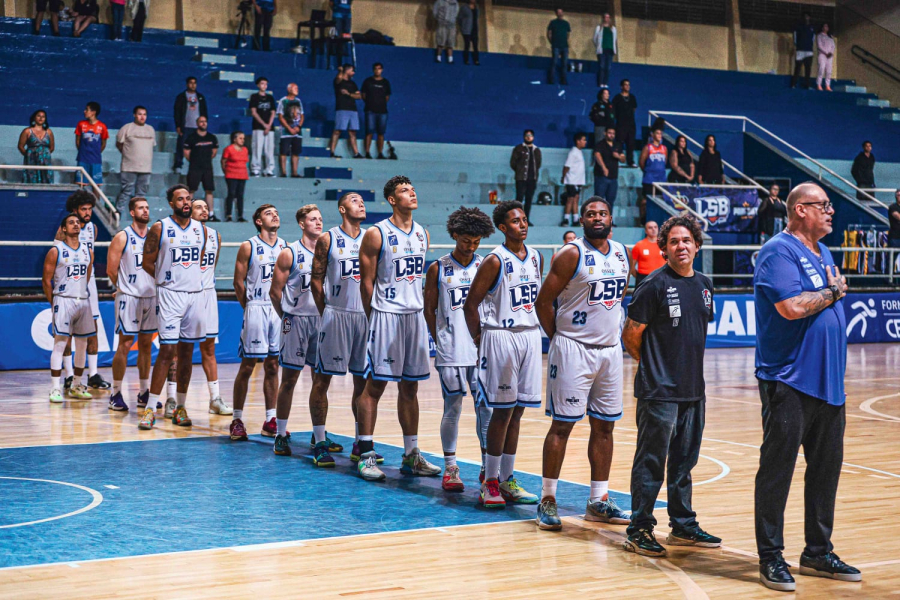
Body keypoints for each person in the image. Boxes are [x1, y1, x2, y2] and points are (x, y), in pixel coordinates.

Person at [753, 183, 860, 592]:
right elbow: (792, 307)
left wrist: (827, 295)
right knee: (777, 471)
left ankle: (817, 551)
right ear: (800, 209)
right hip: (789, 381)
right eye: (824, 206)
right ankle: (770, 556)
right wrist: (833, 291)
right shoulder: (778, 251)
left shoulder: (823, 251)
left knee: (825, 471)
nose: (831, 212)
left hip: (829, 384)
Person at [621, 214, 720, 558]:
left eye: (687, 240)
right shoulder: (653, 285)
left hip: (694, 390)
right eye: (674, 241)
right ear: (663, 249)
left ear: (696, 245)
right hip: (659, 391)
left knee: (684, 462)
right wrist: (653, 368)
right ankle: (639, 528)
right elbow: (631, 335)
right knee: (651, 461)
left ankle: (682, 525)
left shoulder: (705, 285)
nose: (681, 246)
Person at [535, 197, 631, 530]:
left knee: (605, 426)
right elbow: (543, 301)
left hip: (609, 351)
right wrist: (560, 339)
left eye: (602, 213)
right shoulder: (571, 253)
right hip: (573, 348)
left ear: (610, 218)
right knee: (562, 426)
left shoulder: (621, 252)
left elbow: (619, 298)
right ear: (582, 220)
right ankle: (547, 499)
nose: (597, 217)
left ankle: (599, 501)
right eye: (590, 214)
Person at [355, 176, 441, 481]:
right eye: (405, 191)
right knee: (375, 386)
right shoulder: (376, 233)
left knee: (411, 386)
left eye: (413, 189)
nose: (412, 193)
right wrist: (374, 314)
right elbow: (366, 281)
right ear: (392, 199)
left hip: (414, 315)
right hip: (386, 314)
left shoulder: (422, 233)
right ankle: (365, 454)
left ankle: (411, 455)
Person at [464, 200, 542, 507]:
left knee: (519, 410)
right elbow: (471, 304)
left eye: (523, 219)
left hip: (530, 336)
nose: (521, 224)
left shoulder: (536, 257)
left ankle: (508, 479)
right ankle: (490, 480)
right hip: (501, 336)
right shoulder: (495, 261)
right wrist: (480, 338)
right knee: (502, 411)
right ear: (502, 227)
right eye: (514, 221)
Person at [423, 206, 496, 491]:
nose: (471, 245)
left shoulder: (485, 265)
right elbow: (430, 309)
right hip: (451, 349)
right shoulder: (438, 268)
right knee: (452, 406)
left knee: (486, 408)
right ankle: (451, 467)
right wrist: (439, 340)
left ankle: (487, 466)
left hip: (481, 348)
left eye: (476, 241)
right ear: (454, 235)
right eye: (466, 239)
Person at [308, 193, 374, 466]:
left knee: (363, 382)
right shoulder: (328, 239)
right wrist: (327, 313)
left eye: (362, 200)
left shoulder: (373, 238)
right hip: (337, 314)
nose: (361, 203)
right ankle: (320, 441)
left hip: (364, 316)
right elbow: (316, 281)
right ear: (342, 209)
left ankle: (360, 443)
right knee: (322, 380)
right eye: (354, 200)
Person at [137, 184, 207, 430]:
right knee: (167, 351)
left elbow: (198, 261)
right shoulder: (160, 227)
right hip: (169, 295)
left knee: (188, 353)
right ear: (171, 203)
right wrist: (164, 280)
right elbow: (147, 262)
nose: (186, 203)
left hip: (194, 295)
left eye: (188, 198)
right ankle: (149, 410)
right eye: (180, 199)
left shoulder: (201, 229)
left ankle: (180, 407)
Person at [269, 205, 325, 457]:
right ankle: (280, 434)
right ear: (302, 224)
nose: (318, 222)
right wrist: (287, 317)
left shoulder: (328, 252)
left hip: (321, 320)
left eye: (320, 219)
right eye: (313, 219)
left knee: (320, 381)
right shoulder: (289, 253)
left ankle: (319, 436)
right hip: (297, 320)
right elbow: (274, 291)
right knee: (289, 380)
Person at [229, 204, 287, 441]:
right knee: (248, 365)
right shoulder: (248, 246)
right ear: (258, 221)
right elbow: (238, 283)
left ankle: (271, 419)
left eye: (276, 211)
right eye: (268, 213)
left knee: (273, 365)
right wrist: (249, 307)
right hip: (256, 307)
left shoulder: (286, 246)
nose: (274, 214)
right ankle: (236, 418)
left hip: (277, 310)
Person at [106, 197, 156, 412]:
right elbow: (111, 269)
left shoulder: (156, 237)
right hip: (129, 297)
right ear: (132, 212)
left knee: (146, 345)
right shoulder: (122, 237)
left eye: (146, 207)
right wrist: (123, 287)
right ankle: (115, 392)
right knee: (125, 344)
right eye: (140, 208)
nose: (145, 211)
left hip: (151, 295)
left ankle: (144, 392)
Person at [43, 213, 94, 403]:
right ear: (63, 229)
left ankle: (77, 385)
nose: (75, 225)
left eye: (77, 222)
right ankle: (55, 388)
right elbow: (46, 280)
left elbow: (87, 275)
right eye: (71, 223)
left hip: (83, 300)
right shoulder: (56, 251)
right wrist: (54, 301)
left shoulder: (87, 250)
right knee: (60, 344)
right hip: (63, 299)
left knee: (82, 344)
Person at [62, 191, 109, 391]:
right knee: (67, 332)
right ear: (75, 210)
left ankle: (93, 373)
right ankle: (69, 375)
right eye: (84, 209)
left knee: (93, 329)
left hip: (89, 285)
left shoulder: (93, 228)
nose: (88, 213)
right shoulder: (63, 231)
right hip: (70, 283)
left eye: (90, 209)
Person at [191, 197, 232, 416]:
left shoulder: (217, 235)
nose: (204, 210)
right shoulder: (182, 236)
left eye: (206, 207)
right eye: (199, 207)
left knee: (209, 348)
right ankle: (171, 398)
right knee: (179, 350)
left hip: (208, 294)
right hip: (184, 294)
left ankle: (214, 399)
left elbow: (211, 265)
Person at [115, 105, 156, 214]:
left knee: (141, 195)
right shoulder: (126, 128)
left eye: (144, 114)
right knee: (126, 191)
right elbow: (119, 144)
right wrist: (129, 155)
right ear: (134, 115)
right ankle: (117, 214)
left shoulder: (150, 129)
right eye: (139, 114)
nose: (142, 117)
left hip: (146, 168)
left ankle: (140, 215)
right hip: (129, 167)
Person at [183, 115, 220, 221]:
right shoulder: (191, 138)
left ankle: (211, 214)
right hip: (194, 168)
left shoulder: (212, 137)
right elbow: (186, 153)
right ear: (197, 123)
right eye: (201, 121)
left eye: (205, 121)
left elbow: (214, 152)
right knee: (191, 190)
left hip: (207, 168)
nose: (203, 123)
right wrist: (196, 161)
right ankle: (188, 214)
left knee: (209, 190)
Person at [173, 76, 208, 172]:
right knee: (181, 146)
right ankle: (178, 164)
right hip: (186, 126)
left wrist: (204, 125)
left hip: (197, 127)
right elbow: (177, 112)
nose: (193, 85)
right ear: (187, 84)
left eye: (194, 83)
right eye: (191, 83)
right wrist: (178, 125)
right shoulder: (181, 97)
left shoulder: (200, 97)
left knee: (198, 147)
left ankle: (197, 165)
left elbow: (204, 112)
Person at [330, 65, 363, 159]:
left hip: (353, 110)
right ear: (347, 71)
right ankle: (332, 152)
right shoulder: (338, 82)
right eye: (352, 71)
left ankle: (356, 153)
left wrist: (349, 94)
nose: (354, 73)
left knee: (353, 132)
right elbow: (338, 78)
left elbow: (359, 96)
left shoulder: (353, 84)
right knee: (337, 131)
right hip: (341, 109)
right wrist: (340, 70)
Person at [510, 129, 542, 222]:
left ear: (533, 137)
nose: (529, 137)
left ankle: (526, 219)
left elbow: (538, 164)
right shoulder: (518, 148)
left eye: (531, 135)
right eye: (527, 135)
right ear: (524, 137)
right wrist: (519, 171)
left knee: (529, 199)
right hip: (521, 178)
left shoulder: (536, 150)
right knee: (519, 198)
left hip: (532, 178)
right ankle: (516, 218)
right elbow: (513, 163)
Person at [361, 63, 392, 160]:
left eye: (379, 69)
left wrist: (380, 104)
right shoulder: (368, 81)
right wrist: (370, 103)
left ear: (382, 70)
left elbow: (387, 97)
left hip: (382, 111)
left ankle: (380, 153)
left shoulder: (385, 82)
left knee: (381, 133)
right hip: (370, 110)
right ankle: (367, 153)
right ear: (373, 70)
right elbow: (363, 95)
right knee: (369, 132)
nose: (377, 70)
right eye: (375, 69)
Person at [74, 102, 107, 186]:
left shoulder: (102, 126)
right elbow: (77, 141)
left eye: (87, 110)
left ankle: (96, 200)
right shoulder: (81, 124)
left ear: (93, 112)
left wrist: (95, 153)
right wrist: (83, 152)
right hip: (82, 159)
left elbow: (103, 144)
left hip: (96, 160)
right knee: (81, 184)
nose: (84, 111)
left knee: (96, 185)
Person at [640, 127, 668, 223]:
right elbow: (641, 162)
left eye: (660, 134)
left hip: (661, 180)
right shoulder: (648, 147)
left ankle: (657, 221)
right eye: (657, 133)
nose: (659, 135)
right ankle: (642, 220)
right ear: (652, 135)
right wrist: (649, 171)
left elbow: (665, 162)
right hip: (649, 179)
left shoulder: (664, 148)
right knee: (645, 201)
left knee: (660, 201)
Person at [249, 76, 276, 177]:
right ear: (258, 85)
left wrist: (268, 125)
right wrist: (264, 124)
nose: (264, 85)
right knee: (257, 147)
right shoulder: (254, 97)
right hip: (258, 127)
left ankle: (269, 169)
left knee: (269, 149)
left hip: (270, 127)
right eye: (262, 83)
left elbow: (273, 112)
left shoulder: (270, 97)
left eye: (266, 84)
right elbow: (254, 112)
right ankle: (256, 168)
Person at [18, 109, 54, 184]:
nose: (41, 118)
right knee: (31, 178)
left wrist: (44, 154)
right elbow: (20, 146)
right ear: (34, 118)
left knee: (46, 178)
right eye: (38, 116)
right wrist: (29, 154)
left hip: (45, 161)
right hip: (31, 160)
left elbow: (52, 147)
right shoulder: (27, 131)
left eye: (43, 117)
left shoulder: (49, 131)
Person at [276, 83, 304, 177]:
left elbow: (302, 115)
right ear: (289, 89)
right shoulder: (283, 101)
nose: (297, 89)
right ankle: (283, 172)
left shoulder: (298, 101)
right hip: (285, 132)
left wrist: (298, 127)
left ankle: (294, 172)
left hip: (297, 131)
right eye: (295, 88)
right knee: (283, 151)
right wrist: (289, 128)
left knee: (296, 152)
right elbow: (280, 116)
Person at [221, 131, 249, 222]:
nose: (242, 140)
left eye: (243, 138)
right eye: (240, 138)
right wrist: (226, 171)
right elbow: (223, 161)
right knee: (231, 193)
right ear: (234, 139)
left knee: (240, 195)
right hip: (231, 174)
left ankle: (240, 215)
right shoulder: (228, 149)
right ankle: (228, 215)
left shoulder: (245, 149)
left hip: (242, 175)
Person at [561, 133, 587, 227]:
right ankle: (566, 219)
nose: (585, 142)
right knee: (570, 199)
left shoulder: (579, 152)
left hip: (578, 180)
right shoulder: (573, 152)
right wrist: (563, 177)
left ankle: (576, 219)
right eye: (583, 140)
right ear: (578, 141)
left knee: (576, 198)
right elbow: (567, 166)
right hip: (572, 180)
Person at [629, 221, 665, 287]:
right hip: (644, 278)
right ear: (646, 231)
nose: (653, 229)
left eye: (655, 227)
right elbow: (631, 266)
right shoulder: (639, 245)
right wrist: (639, 277)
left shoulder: (664, 245)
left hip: (662, 277)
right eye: (650, 228)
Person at [593, 126, 622, 206]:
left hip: (613, 178)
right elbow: (597, 155)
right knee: (599, 200)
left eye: (613, 133)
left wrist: (618, 156)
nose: (611, 135)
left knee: (610, 202)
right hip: (601, 177)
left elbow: (623, 159)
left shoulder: (617, 145)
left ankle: (608, 218)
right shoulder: (600, 144)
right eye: (609, 133)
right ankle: (597, 218)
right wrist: (604, 168)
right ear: (605, 133)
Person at [612, 79, 637, 168]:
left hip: (631, 125)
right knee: (619, 142)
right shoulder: (617, 98)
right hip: (620, 124)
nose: (627, 86)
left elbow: (634, 109)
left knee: (630, 143)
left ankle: (630, 161)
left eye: (628, 85)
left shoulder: (632, 97)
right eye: (625, 85)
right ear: (621, 86)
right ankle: (619, 160)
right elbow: (614, 111)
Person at [592, 13, 617, 88]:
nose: (607, 19)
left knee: (608, 67)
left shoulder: (613, 28)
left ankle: (605, 83)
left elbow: (615, 39)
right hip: (602, 50)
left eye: (608, 17)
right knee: (602, 66)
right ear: (603, 18)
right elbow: (594, 38)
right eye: (605, 17)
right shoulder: (599, 27)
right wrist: (598, 46)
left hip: (610, 49)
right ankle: (600, 83)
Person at [792, 13, 816, 89]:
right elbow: (795, 38)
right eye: (805, 16)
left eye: (808, 16)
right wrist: (798, 46)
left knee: (808, 69)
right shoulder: (798, 27)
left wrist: (810, 46)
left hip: (809, 51)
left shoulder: (812, 28)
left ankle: (807, 85)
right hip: (800, 51)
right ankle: (793, 84)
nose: (807, 18)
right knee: (797, 68)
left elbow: (813, 38)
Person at [547, 8, 570, 85]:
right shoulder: (553, 22)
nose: (560, 14)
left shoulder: (566, 23)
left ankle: (563, 80)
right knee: (554, 62)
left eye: (561, 12)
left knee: (564, 63)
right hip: (556, 46)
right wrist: (552, 42)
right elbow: (549, 33)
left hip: (564, 46)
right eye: (558, 12)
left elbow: (568, 34)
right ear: (556, 14)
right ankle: (551, 80)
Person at [457, 0, 479, 65]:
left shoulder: (476, 8)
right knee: (467, 45)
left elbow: (476, 17)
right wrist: (462, 26)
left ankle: (476, 60)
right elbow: (459, 18)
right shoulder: (464, 7)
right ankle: (466, 60)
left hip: (475, 29)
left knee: (475, 46)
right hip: (467, 29)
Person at [816, 24, 835, 91]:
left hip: (829, 56)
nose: (826, 27)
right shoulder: (819, 36)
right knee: (821, 69)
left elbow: (833, 46)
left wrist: (831, 53)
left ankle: (827, 85)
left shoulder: (830, 37)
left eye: (827, 26)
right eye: (825, 26)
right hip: (822, 55)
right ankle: (819, 84)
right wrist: (826, 53)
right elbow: (819, 46)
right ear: (822, 27)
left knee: (829, 71)